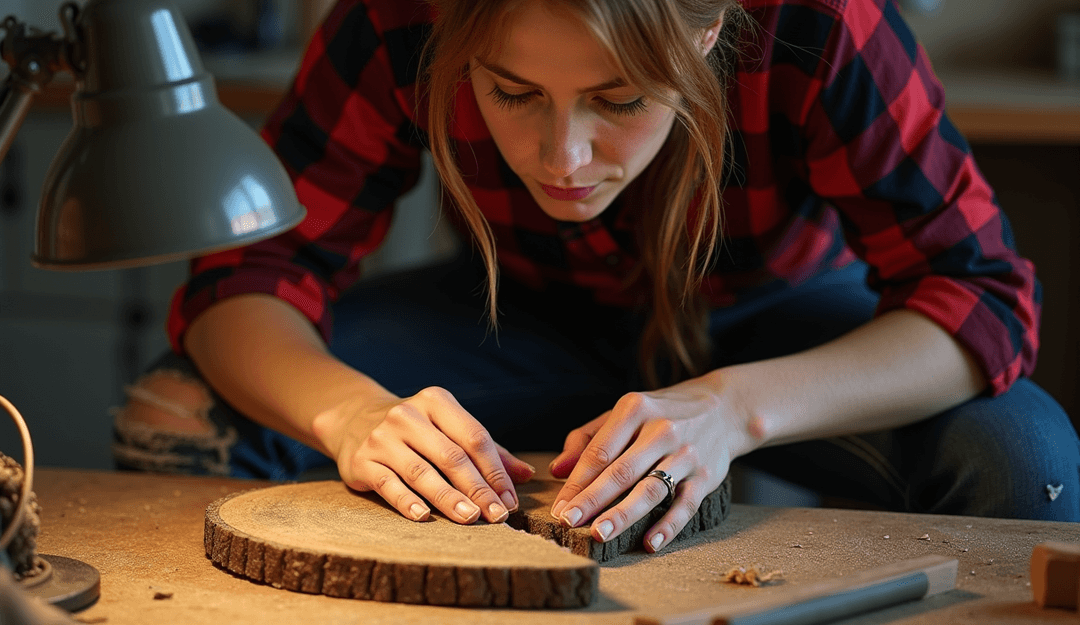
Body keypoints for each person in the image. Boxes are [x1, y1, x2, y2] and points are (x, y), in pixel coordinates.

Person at [113, 0, 1080, 553]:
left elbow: (980, 294)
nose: (563, 155)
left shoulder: (820, 22)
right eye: (512, 92)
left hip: (778, 326)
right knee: (184, 417)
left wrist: (733, 409)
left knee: (1024, 460)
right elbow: (251, 272)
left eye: (618, 100)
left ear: (705, 36)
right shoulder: (399, 14)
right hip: (510, 316)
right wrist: (349, 415)